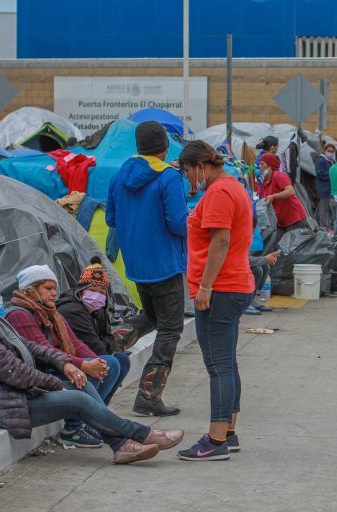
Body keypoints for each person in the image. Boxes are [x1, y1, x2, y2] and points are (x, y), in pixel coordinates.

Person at [0, 269, 183, 464]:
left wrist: (67, 364)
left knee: (84, 383)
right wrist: (56, 383)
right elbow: (14, 371)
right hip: (4, 405)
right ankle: (140, 434)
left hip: (19, 393)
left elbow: (30, 346)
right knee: (77, 398)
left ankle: (122, 445)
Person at [177, 141, 256, 460]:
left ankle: (216, 440)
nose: (188, 180)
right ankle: (229, 432)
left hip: (221, 287)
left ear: (200, 166)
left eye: (187, 172)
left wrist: (206, 286)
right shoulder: (232, 186)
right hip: (232, 284)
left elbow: (221, 241)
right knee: (227, 362)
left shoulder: (220, 192)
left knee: (218, 365)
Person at [106, 120, 187, 417]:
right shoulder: (168, 177)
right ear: (165, 148)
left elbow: (112, 220)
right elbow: (179, 223)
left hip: (137, 265)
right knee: (170, 328)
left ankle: (107, 348)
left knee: (151, 317)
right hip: (165, 264)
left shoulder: (119, 176)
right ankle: (149, 395)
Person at [6, 264, 123, 448]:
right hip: (38, 377)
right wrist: (84, 366)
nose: (54, 293)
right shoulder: (20, 314)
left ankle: (95, 421)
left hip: (56, 366)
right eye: (48, 288)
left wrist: (96, 362)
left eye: (55, 289)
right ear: (31, 290)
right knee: (82, 375)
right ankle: (76, 427)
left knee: (111, 363)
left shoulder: (52, 313)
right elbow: (44, 350)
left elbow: (76, 343)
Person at [56, 258, 131, 404]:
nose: (97, 295)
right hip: (72, 358)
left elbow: (107, 336)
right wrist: (110, 354)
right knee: (112, 362)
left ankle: (100, 409)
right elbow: (92, 344)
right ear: (81, 290)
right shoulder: (72, 310)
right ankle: (91, 415)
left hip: (91, 353)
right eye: (91, 290)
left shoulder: (98, 308)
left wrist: (113, 351)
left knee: (121, 360)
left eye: (102, 291)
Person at [258, 152, 309, 240]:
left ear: (269, 166)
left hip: (293, 219)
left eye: (262, 164)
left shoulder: (279, 176)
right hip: (280, 222)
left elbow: (290, 191)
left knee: (294, 246)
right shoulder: (264, 183)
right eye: (259, 164)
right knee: (281, 248)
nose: (259, 166)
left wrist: (273, 196)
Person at [314, 144, 335, 230]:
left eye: (332, 152)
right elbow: (319, 173)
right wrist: (331, 173)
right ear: (324, 150)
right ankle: (324, 227)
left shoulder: (331, 161)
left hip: (328, 188)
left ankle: (316, 223)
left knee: (322, 208)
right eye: (329, 151)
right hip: (324, 188)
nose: (330, 153)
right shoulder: (321, 160)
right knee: (324, 209)